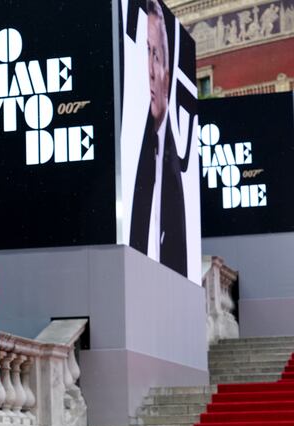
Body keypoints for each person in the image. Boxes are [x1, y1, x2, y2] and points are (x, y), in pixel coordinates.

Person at [129, 0, 187, 277]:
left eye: (157, 56)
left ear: (168, 69)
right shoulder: (133, 156)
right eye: (146, 53)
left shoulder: (175, 167)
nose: (151, 70)